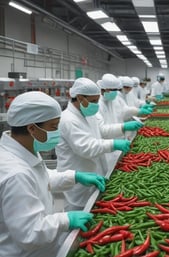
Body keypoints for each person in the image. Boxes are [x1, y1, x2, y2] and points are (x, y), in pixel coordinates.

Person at [0, 91, 105, 257]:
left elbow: (42, 178)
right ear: (32, 128)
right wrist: (65, 220)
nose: (57, 132)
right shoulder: (15, 174)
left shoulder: (23, 150)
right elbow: (30, 233)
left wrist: (75, 176)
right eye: (54, 127)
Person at [56, 77, 132, 211]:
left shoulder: (88, 113)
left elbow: (102, 130)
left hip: (94, 173)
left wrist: (122, 128)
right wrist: (113, 144)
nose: (96, 104)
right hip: (79, 180)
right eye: (93, 101)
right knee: (78, 216)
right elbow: (85, 147)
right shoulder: (68, 119)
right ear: (80, 98)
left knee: (94, 210)